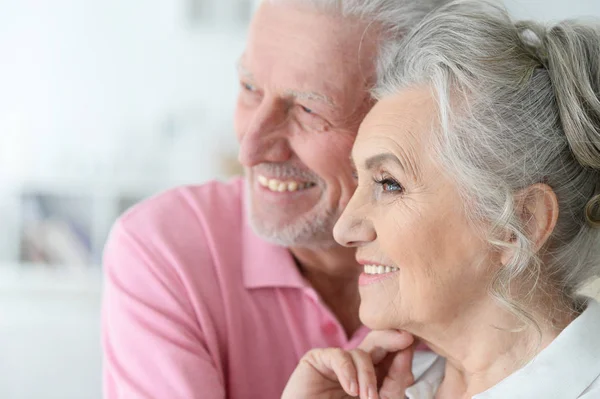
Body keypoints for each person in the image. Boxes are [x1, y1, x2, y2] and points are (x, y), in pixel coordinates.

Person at [100, 1, 446, 398]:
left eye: (307, 108)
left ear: (410, 117)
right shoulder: (162, 248)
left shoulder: (477, 259)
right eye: (249, 88)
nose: (250, 150)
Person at [281, 1, 600, 398]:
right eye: (357, 179)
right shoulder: (390, 388)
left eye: (388, 183)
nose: (344, 229)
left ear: (520, 221)